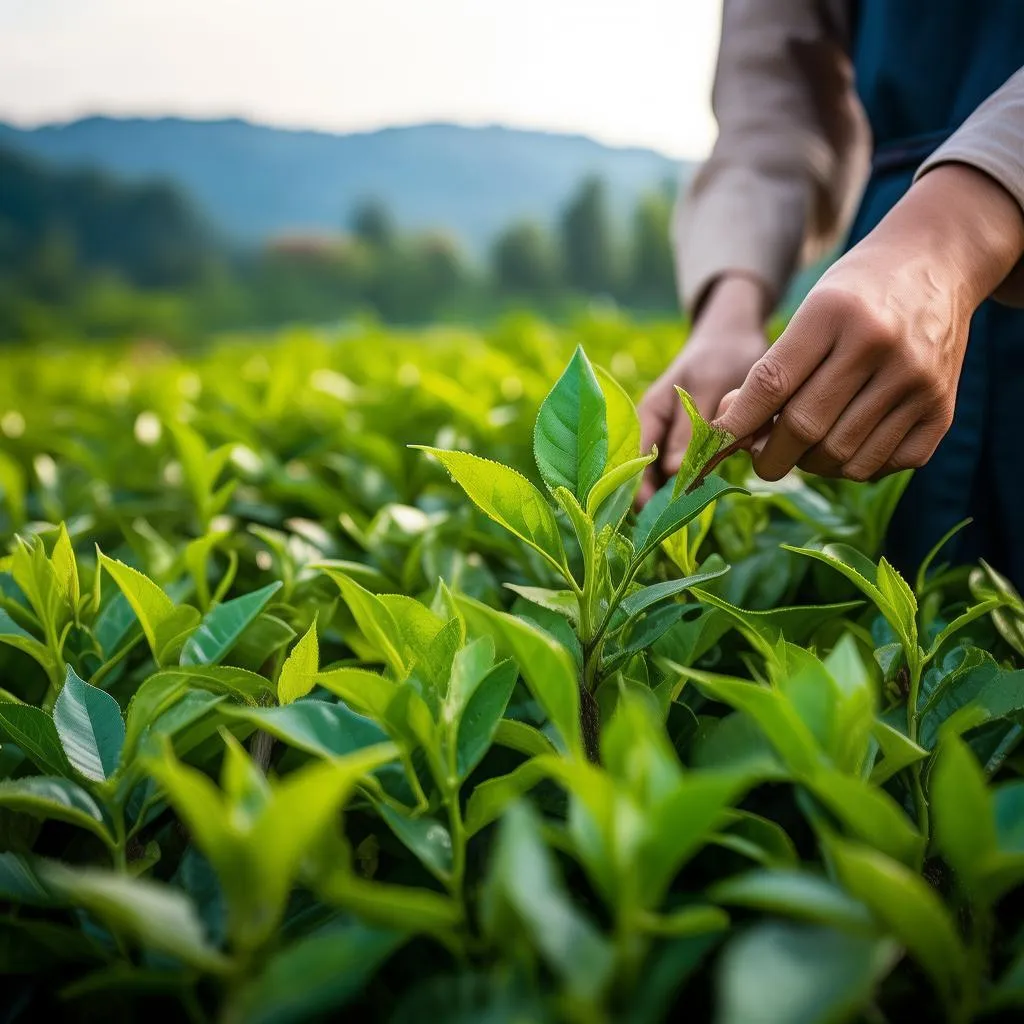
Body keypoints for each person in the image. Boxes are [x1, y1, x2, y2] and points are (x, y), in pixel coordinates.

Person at [639, 0, 1024, 584]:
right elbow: (774, 85)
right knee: (923, 605)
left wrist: (952, 229)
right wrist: (730, 312)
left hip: (923, 249)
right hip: (883, 290)